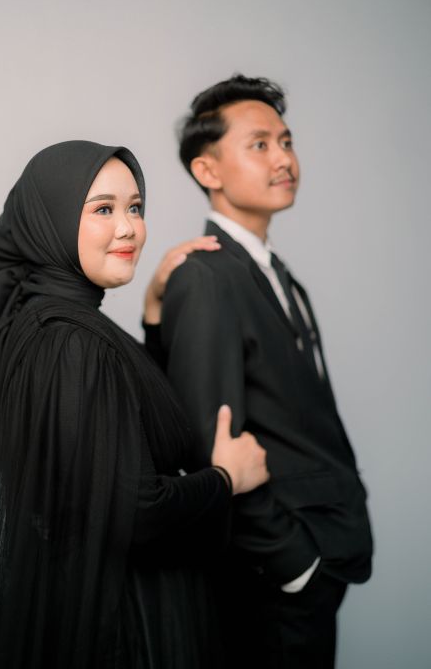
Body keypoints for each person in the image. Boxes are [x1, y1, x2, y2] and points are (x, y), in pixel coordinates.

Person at [0, 140, 269, 669]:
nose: (129, 228)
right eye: (103, 209)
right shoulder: (72, 341)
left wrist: (153, 316)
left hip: (95, 610)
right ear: (52, 219)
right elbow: (135, 513)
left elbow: (119, 423)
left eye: (135, 207)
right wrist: (226, 479)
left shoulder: (45, 320)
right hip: (124, 626)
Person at [147, 76, 373, 668]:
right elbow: (209, 446)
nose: (284, 159)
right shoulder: (206, 277)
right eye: (260, 145)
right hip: (275, 580)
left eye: (286, 141)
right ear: (208, 171)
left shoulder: (274, 273)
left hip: (316, 558)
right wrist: (294, 564)